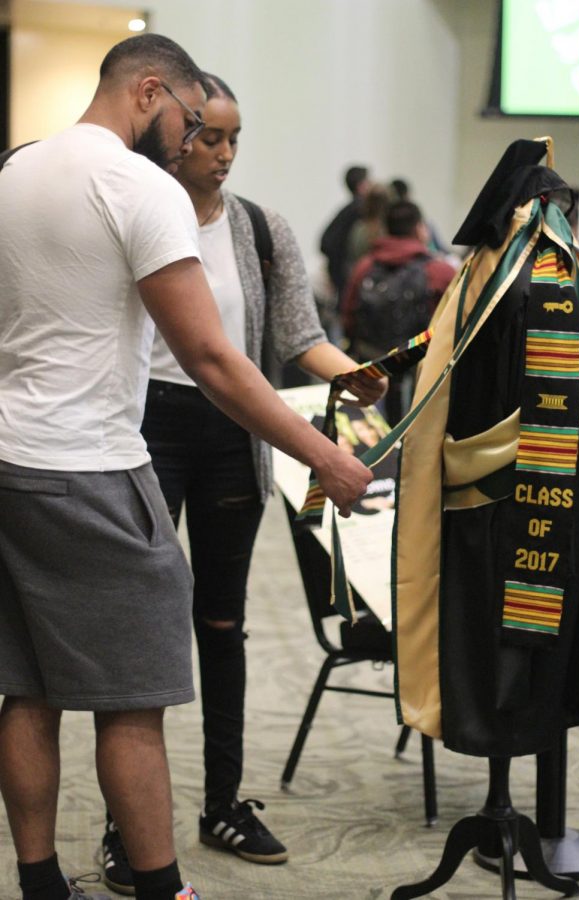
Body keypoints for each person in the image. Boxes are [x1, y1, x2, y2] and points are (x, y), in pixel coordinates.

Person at [0, 35, 374, 900]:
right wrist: (328, 456)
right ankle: (167, 888)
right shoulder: (138, 187)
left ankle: (39, 882)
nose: (195, 140)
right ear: (150, 91)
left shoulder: (18, 171)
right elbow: (210, 357)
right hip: (93, 468)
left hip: (14, 459)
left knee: (27, 688)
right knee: (133, 705)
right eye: (191, 121)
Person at [99, 73, 387, 895]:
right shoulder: (133, 210)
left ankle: (222, 802)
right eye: (209, 137)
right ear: (178, 133)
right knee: (142, 638)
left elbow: (298, 337)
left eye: (234, 139)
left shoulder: (263, 228)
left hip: (235, 435)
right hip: (144, 429)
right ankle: (129, 829)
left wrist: (355, 374)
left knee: (222, 622)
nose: (223, 154)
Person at [342, 200, 456, 424]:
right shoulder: (439, 271)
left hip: (372, 365)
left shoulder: (364, 267)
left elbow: (348, 314)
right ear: (419, 228)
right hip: (419, 368)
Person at [319, 164, 371, 301]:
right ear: (361, 186)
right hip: (346, 272)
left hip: (340, 269)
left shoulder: (346, 210)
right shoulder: (359, 210)